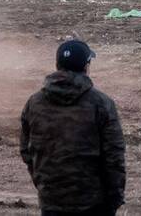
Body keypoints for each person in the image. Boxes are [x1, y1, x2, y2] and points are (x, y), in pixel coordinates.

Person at [20, 40, 126, 215]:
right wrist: (114, 200)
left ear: (57, 65)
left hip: (51, 201)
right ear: (86, 66)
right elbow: (114, 157)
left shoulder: (34, 103)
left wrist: (44, 184)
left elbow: (27, 150)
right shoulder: (101, 104)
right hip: (93, 204)